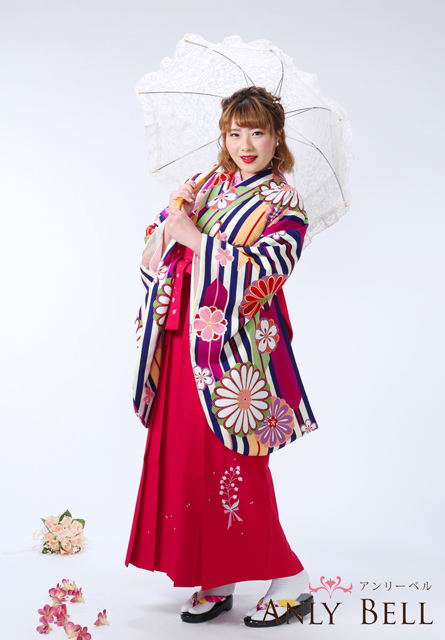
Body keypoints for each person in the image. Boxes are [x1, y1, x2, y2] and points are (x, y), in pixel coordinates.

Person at [125, 86, 318, 626]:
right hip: (181, 341)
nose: (245, 145)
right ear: (224, 136)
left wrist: (194, 237)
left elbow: (268, 271)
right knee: (188, 461)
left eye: (257, 132)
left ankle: (291, 579)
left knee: (234, 462)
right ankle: (216, 574)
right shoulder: (208, 184)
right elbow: (156, 252)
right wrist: (173, 214)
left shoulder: (285, 204)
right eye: (235, 133)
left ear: (277, 137)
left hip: (234, 357)